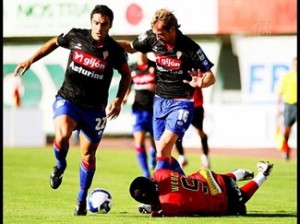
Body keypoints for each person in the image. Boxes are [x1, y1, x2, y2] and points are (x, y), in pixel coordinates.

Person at [13, 5, 131, 216]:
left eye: (104, 24)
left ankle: (81, 198)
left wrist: (119, 100)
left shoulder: (114, 51)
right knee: (63, 134)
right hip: (68, 100)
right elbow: (53, 43)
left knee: (88, 154)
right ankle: (60, 165)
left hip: (95, 110)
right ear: (90, 22)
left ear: (110, 25)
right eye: (96, 23)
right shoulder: (76, 36)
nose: (99, 27)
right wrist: (31, 59)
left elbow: (126, 75)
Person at [118, 8, 216, 171]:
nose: (157, 37)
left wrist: (201, 82)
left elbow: (210, 76)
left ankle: (156, 187)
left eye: (161, 33)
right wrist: (105, 42)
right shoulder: (152, 37)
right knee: (163, 154)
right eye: (155, 33)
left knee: (163, 148)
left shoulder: (190, 47)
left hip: (182, 103)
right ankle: (186, 185)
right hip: (159, 102)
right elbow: (130, 46)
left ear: (172, 30)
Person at [129, 160, 273, 217]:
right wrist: (180, 178)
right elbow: (170, 160)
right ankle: (238, 174)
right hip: (209, 177)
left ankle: (263, 175)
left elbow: (172, 211)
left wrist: (156, 213)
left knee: (239, 203)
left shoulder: (169, 207)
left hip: (223, 199)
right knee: (207, 180)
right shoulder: (160, 174)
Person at [123, 52, 157, 178]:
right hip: (138, 109)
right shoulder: (132, 68)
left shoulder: (154, 67)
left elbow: (163, 85)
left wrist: (156, 87)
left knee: (155, 142)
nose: (141, 55)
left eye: (144, 53)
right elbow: (127, 84)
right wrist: (125, 96)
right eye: (139, 53)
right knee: (139, 142)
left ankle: (153, 154)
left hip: (154, 110)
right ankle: (146, 173)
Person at [175, 86, 210, 168]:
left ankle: (205, 157)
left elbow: (203, 81)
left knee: (200, 132)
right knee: (176, 133)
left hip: (196, 106)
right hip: (181, 106)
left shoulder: (197, 73)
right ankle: (182, 156)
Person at [276, 57, 297, 160]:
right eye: (294, 64)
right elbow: (280, 91)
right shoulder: (287, 77)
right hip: (290, 106)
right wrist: (278, 106)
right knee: (287, 130)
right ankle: (286, 150)